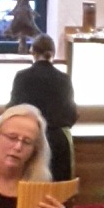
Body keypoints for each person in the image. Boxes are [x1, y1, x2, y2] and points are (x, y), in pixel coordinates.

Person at [9, 34, 77, 181]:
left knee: (29, 186)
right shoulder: (64, 79)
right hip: (58, 141)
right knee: (59, 187)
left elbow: (12, 109)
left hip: (29, 139)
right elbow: (71, 115)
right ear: (53, 53)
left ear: (33, 52)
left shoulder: (22, 77)